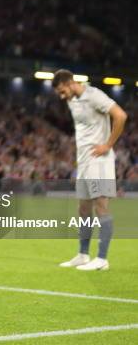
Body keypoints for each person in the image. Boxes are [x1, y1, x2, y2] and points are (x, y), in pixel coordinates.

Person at [53, 69, 127, 271]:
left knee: (101, 206)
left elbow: (120, 116)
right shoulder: (71, 101)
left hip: (99, 161)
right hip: (84, 162)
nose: (61, 95)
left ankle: (102, 259)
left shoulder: (94, 96)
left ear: (70, 82)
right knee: (83, 209)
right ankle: (83, 255)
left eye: (62, 90)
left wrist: (108, 145)